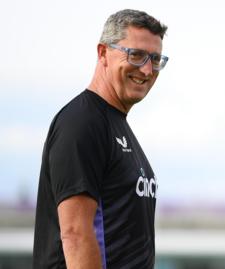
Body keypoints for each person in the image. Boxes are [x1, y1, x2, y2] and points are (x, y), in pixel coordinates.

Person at [33, 9, 168, 268]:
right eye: (136, 55)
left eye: (155, 59)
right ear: (103, 53)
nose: (148, 70)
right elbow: (75, 233)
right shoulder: (82, 123)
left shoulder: (116, 125)